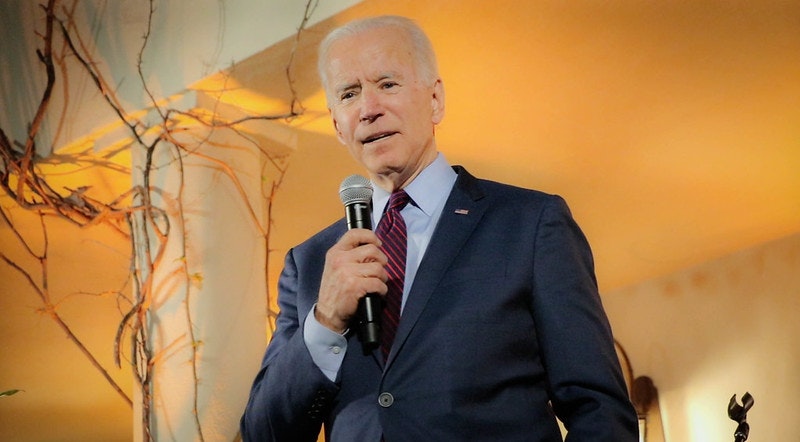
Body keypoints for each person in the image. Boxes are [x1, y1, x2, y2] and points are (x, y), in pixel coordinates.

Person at [240, 15, 638, 441]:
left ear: (435, 100)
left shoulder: (529, 224)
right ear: (338, 124)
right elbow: (262, 433)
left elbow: (598, 410)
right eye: (349, 93)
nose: (369, 108)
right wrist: (325, 321)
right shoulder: (309, 264)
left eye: (388, 84)